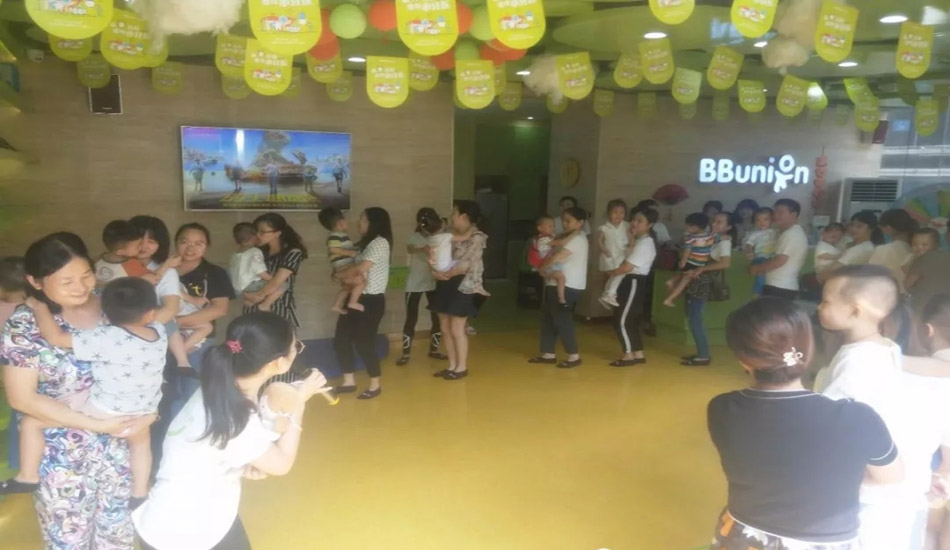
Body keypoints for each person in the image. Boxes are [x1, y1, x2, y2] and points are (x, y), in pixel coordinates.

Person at [707, 297, 902, 550]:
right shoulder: (857, 418)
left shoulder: (721, 408)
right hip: (824, 541)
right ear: (808, 350)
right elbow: (891, 477)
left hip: (741, 535)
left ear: (742, 359)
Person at [0, 232, 152, 548]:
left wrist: (150, 410)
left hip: (120, 450)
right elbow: (22, 398)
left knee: (118, 537)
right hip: (62, 458)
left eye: (86, 275)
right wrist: (96, 424)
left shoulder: (115, 306)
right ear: (35, 281)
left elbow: (148, 355)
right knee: (69, 540)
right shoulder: (24, 324)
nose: (81, 287)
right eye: (67, 281)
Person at [133, 312, 331, 550]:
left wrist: (243, 463)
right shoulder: (235, 416)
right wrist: (298, 402)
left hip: (174, 518)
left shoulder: (219, 387)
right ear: (277, 363)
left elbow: (229, 444)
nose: (297, 351)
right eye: (295, 346)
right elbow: (281, 464)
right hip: (187, 533)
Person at [815, 265, 948, 550]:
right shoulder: (886, 349)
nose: (819, 307)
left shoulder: (857, 361)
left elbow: (828, 424)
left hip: (870, 494)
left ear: (855, 310)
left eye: (826, 301)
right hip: (900, 490)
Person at [19, 278, 165, 506]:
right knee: (140, 445)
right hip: (144, 409)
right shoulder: (159, 331)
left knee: (32, 421)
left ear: (105, 311)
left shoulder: (106, 337)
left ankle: (27, 476)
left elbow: (55, 337)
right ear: (151, 313)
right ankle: (139, 492)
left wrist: (39, 307)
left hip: (105, 409)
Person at [332, 207, 392, 399]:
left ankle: (375, 385)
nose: (359, 223)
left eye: (363, 220)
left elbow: (361, 268)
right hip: (354, 297)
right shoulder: (364, 245)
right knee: (341, 339)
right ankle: (349, 382)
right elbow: (351, 267)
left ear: (374, 223)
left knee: (364, 343)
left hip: (370, 301)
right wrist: (341, 275)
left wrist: (339, 275)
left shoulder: (380, 242)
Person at [174, 223, 236, 404]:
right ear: (176, 243)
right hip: (164, 339)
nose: (190, 248)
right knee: (168, 390)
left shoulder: (214, 273)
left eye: (198, 243)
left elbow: (220, 308)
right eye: (184, 242)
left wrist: (176, 322)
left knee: (191, 393)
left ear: (206, 246)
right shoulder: (166, 270)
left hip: (197, 341)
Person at [430, 200, 489, 380]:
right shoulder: (447, 233)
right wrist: (435, 271)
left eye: (454, 214)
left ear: (464, 216)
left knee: (457, 327)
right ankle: (452, 365)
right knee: (445, 326)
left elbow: (467, 264)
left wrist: (447, 272)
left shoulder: (478, 237)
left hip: (465, 285)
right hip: (445, 283)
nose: (451, 217)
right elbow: (434, 256)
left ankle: (461, 367)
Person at [528, 206, 589, 369]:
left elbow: (558, 257)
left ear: (580, 223)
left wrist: (542, 268)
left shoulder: (578, 239)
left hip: (568, 285)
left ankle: (573, 355)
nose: (565, 224)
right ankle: (548, 353)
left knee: (562, 319)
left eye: (569, 221)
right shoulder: (564, 237)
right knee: (548, 318)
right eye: (564, 221)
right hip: (553, 283)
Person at [681, 212, 737, 367]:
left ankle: (703, 355)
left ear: (728, 227)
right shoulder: (713, 239)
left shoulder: (724, 243)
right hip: (698, 280)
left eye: (720, 222)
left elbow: (725, 263)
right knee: (693, 316)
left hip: (703, 282)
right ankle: (701, 352)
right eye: (714, 221)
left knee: (695, 318)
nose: (714, 224)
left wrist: (702, 269)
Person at [606, 208, 657, 366]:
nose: (634, 223)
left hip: (634, 281)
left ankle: (628, 355)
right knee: (631, 320)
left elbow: (627, 267)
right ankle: (638, 353)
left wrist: (612, 272)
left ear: (650, 225)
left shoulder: (646, 244)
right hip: (631, 281)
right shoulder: (640, 241)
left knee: (621, 320)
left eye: (640, 221)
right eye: (634, 219)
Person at [396, 207, 445, 366]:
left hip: (432, 282)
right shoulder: (414, 236)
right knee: (411, 318)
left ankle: (434, 350)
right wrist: (422, 249)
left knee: (436, 318)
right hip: (414, 283)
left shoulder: (436, 237)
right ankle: (405, 353)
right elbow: (410, 248)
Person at [243, 213, 307, 328]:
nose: (257, 235)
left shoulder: (293, 252)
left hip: (279, 307)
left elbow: (278, 281)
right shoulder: (256, 252)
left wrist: (259, 295)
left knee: (279, 337)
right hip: (252, 307)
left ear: (277, 233)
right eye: (256, 231)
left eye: (262, 232)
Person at [750, 198, 808, 300]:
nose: (776, 215)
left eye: (780, 212)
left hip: (780, 287)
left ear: (794, 214)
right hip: (779, 286)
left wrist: (757, 269)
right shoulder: (787, 232)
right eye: (775, 211)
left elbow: (779, 261)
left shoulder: (791, 234)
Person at [229, 223, 287, 312]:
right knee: (282, 284)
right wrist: (272, 279)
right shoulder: (254, 251)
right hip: (251, 285)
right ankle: (265, 304)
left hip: (238, 288)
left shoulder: (235, 255)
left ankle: (250, 301)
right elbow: (259, 271)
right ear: (254, 237)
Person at [318, 207, 365, 315]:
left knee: (347, 288)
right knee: (360, 282)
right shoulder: (336, 235)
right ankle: (353, 302)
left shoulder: (338, 235)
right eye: (345, 220)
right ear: (340, 222)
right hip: (343, 265)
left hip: (341, 266)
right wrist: (350, 253)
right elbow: (333, 249)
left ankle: (336, 305)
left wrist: (355, 250)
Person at [662, 212, 713, 307]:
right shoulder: (710, 236)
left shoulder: (690, 239)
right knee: (683, 282)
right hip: (698, 264)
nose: (687, 228)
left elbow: (687, 252)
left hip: (690, 263)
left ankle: (670, 291)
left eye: (688, 226)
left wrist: (682, 262)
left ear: (695, 227)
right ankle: (670, 296)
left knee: (682, 280)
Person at [817, 210, 882, 283]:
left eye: (859, 226)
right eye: (852, 225)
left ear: (871, 229)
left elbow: (826, 274)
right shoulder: (850, 243)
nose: (853, 229)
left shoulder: (861, 249)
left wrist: (821, 274)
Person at [870, 209, 917, 292]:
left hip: (888, 294)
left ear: (888, 228)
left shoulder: (883, 250)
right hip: (911, 295)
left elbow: (871, 276)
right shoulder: (917, 249)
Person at [905, 228, 950, 313]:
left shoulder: (922, 259)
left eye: (924, 245)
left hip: (924, 304)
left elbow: (908, 284)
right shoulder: (945, 256)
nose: (919, 247)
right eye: (915, 244)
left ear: (936, 245)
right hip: (945, 304)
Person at [597, 199, 630, 308]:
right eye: (615, 212)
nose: (618, 215)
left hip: (622, 255)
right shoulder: (604, 227)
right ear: (609, 213)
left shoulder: (627, 225)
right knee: (617, 274)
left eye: (622, 213)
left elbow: (632, 238)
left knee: (616, 274)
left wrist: (631, 247)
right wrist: (603, 249)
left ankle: (606, 295)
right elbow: (599, 240)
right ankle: (610, 294)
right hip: (609, 256)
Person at [742, 207, 776, 297]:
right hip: (760, 257)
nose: (762, 223)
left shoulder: (775, 232)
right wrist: (749, 252)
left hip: (771, 258)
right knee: (761, 272)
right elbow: (749, 244)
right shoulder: (754, 234)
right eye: (758, 220)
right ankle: (758, 291)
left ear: (772, 220)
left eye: (765, 219)